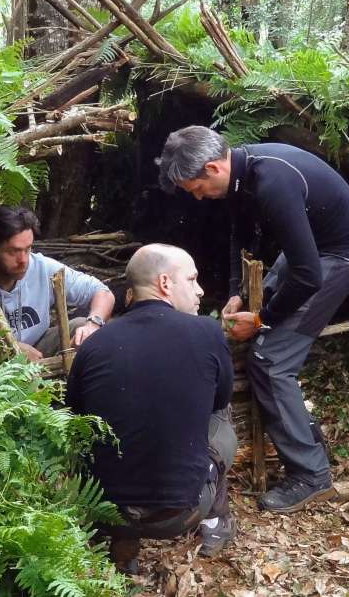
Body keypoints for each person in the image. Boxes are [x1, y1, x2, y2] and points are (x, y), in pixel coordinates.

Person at [156, 126, 349, 513]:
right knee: (263, 334)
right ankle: (304, 435)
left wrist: (261, 319)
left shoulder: (272, 181)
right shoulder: (241, 174)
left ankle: (311, 475)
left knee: (271, 362)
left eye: (196, 188)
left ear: (213, 167)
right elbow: (243, 232)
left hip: (335, 259)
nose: (198, 197)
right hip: (309, 251)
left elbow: (308, 276)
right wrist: (239, 291)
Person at [65, 244, 236, 571]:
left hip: (106, 510)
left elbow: (77, 418)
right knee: (219, 413)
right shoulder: (207, 332)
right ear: (165, 283)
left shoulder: (94, 343)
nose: (200, 290)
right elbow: (219, 400)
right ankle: (215, 522)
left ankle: (122, 540)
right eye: (192, 279)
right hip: (181, 514)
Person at [0, 206, 115, 360]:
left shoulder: (42, 267)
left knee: (83, 328)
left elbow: (102, 293)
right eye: (13, 251)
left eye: (28, 249)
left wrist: (94, 323)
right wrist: (12, 349)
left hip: (40, 348)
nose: (23, 260)